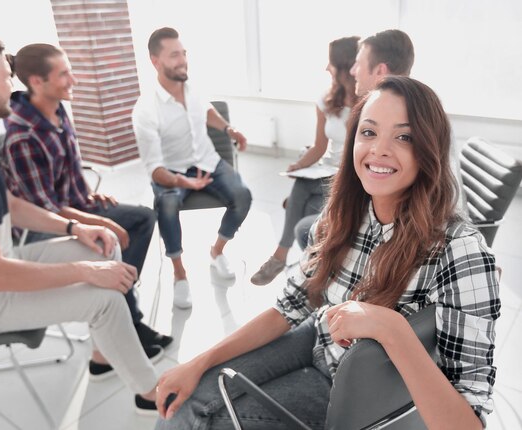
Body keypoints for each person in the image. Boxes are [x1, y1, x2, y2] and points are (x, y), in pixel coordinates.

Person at [153, 77, 500, 429]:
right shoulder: (346, 210)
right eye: (368, 132)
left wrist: (391, 328)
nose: (378, 149)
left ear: (430, 149)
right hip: (314, 337)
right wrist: (198, 361)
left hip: (354, 390)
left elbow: (466, 423)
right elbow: (289, 307)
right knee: (184, 398)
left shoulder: (462, 252)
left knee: (208, 423)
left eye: (404, 136)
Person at [0, 25, 159, 413]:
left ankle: (104, 355)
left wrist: (77, 227)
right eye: (6, 77)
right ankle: (152, 393)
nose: (13, 86)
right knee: (103, 298)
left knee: (108, 243)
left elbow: (10, 204)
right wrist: (84, 271)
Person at [2, 43, 172, 355]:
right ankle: (124, 323)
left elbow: (64, 173)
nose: (74, 80)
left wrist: (88, 197)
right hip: (40, 227)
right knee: (111, 240)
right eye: (64, 74)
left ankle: (120, 306)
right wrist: (101, 222)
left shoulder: (55, 109)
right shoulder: (22, 135)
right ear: (37, 82)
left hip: (72, 205)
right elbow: (44, 209)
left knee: (142, 218)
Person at [132, 27, 252, 309]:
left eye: (183, 53)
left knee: (243, 196)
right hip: (171, 172)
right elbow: (154, 169)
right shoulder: (145, 109)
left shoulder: (193, 87)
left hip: (208, 163)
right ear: (155, 61)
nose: (182, 60)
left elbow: (206, 110)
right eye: (174, 55)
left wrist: (229, 129)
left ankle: (216, 251)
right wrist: (184, 183)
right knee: (168, 206)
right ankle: (179, 273)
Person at [290, 29, 421, 252]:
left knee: (308, 229)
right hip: (375, 213)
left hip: (398, 237)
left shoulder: (417, 118)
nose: (353, 71)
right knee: (306, 212)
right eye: (368, 133)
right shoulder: (395, 108)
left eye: (358, 64)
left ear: (380, 70)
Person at [250, 36, 359, 286]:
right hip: (327, 169)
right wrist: (299, 166)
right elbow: (320, 147)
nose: (325, 68)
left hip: (350, 175)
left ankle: (288, 259)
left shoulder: (367, 102)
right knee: (301, 184)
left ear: (343, 65)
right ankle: (285, 258)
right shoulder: (326, 100)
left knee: (302, 202)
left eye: (330, 63)